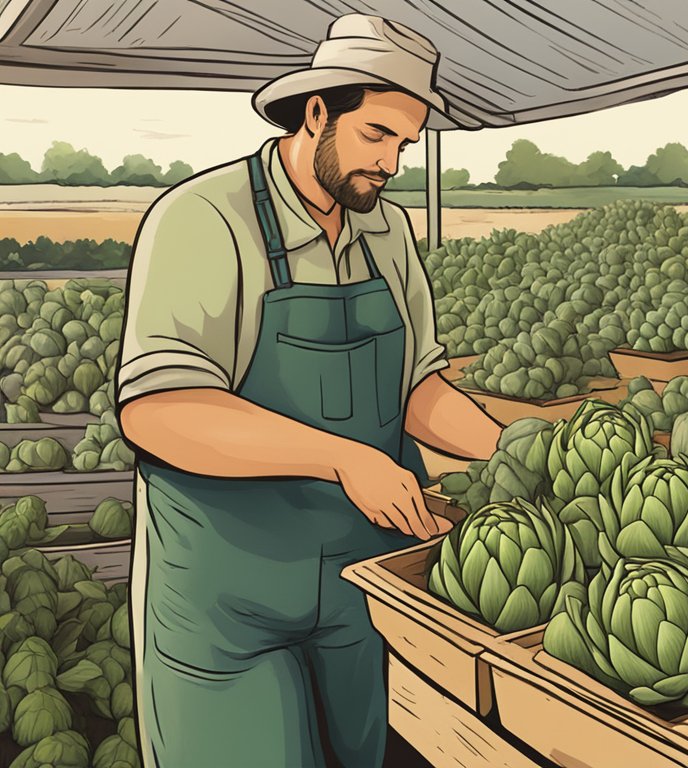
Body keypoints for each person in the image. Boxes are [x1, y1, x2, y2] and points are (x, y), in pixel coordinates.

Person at [115, 14, 503, 767]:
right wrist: (345, 460)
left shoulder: (386, 230)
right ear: (317, 111)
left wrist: (517, 450)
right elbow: (159, 410)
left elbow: (417, 385)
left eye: (403, 144)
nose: (391, 162)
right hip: (230, 599)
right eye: (377, 135)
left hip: (367, 582)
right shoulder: (203, 220)